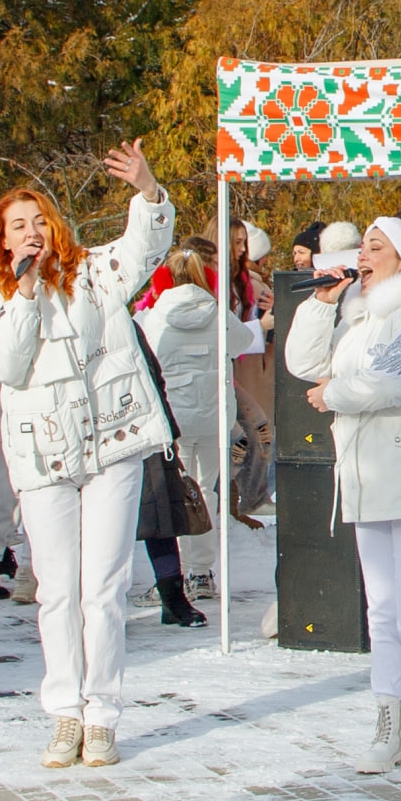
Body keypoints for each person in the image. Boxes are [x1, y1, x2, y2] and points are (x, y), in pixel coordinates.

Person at [0, 140, 175, 769]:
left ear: (54, 227)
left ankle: (102, 714)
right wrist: (26, 295)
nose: (31, 234)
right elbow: (3, 363)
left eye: (39, 221)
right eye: (18, 227)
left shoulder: (92, 272)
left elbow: (146, 247)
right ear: (3, 241)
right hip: (43, 459)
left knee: (104, 589)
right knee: (57, 590)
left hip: (111, 444)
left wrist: (146, 190)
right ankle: (65, 713)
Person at [286, 213, 401, 778]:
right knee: (382, 611)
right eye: (361, 246)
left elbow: (392, 379)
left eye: (375, 245)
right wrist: (320, 305)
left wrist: (335, 393)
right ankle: (389, 728)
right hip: (366, 476)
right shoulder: (355, 317)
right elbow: (302, 364)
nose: (362, 255)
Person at [135, 244, 250, 625]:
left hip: (175, 417)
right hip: (216, 413)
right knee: (208, 491)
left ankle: (178, 575)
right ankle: (202, 570)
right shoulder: (218, 312)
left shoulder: (154, 316)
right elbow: (243, 343)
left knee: (178, 498)